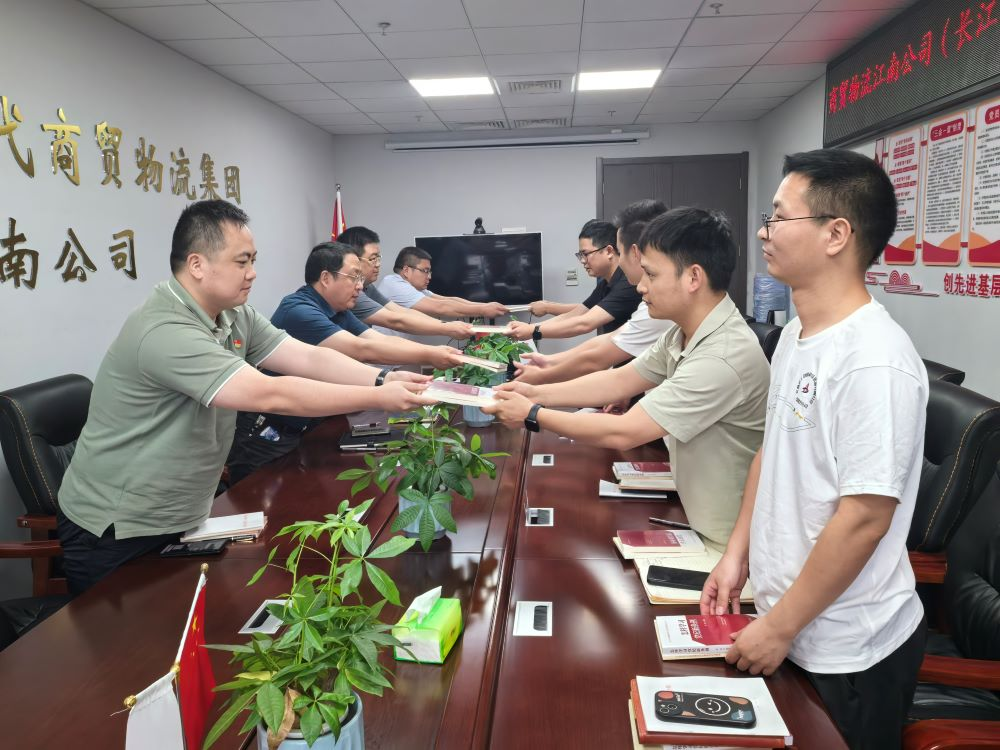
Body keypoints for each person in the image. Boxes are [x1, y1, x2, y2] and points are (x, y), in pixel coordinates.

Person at [56, 200, 434, 595]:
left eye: (253, 260)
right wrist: (381, 395)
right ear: (197, 264)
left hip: (184, 513)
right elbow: (270, 393)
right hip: (118, 527)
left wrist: (383, 378)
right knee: (137, 636)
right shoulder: (165, 330)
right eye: (242, 262)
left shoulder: (234, 315)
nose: (252, 273)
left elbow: (307, 357)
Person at [699, 149, 928, 750]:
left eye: (778, 217)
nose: (763, 231)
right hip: (788, 620)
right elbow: (770, 454)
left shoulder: (873, 359)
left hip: (847, 647)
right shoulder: (797, 334)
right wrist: (736, 556)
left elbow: (865, 516)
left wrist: (779, 626)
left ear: (836, 234)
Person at [485, 207, 769, 550]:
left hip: (724, 543)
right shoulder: (683, 332)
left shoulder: (720, 356)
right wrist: (534, 392)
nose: (641, 286)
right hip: (696, 515)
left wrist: (532, 413)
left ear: (693, 278)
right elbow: (620, 380)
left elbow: (626, 430)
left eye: (651, 274)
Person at [225, 242, 466, 485]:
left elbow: (377, 340)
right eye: (354, 277)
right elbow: (362, 349)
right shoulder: (299, 311)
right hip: (266, 432)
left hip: (306, 423)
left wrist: (431, 353)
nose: (360, 285)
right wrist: (425, 357)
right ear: (326, 278)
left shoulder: (339, 309)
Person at [515, 200, 672, 385]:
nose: (583, 261)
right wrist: (547, 355)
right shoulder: (610, 284)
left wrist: (534, 333)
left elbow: (586, 326)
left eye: (586, 254)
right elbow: (584, 319)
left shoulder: (634, 288)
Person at [508, 219, 641, 343]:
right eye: (580, 255)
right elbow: (576, 314)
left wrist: (532, 331)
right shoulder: (605, 284)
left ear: (609, 251)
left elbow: (584, 323)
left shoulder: (628, 283)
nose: (582, 261)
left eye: (586, 254)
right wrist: (530, 328)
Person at [337, 226, 473, 341]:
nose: (378, 264)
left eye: (378, 258)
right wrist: (447, 328)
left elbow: (402, 312)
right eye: (373, 259)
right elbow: (395, 320)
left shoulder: (367, 287)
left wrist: (446, 326)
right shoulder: (387, 283)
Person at [376, 246, 508, 319]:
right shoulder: (393, 283)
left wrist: (486, 305)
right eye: (425, 271)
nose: (429, 277)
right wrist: (483, 310)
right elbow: (441, 307)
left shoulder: (416, 288)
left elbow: (447, 300)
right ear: (406, 270)